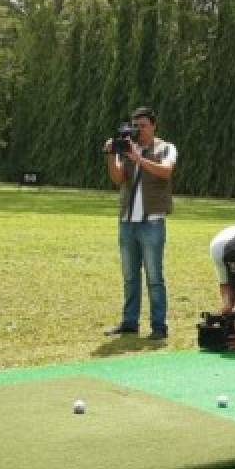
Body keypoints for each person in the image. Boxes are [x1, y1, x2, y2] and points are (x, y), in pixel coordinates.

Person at [103, 107, 177, 341]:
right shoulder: (127, 148)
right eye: (135, 126)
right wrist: (112, 155)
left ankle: (158, 326)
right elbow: (118, 179)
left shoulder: (165, 148)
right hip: (127, 222)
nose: (139, 130)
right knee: (130, 276)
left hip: (151, 221)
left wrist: (139, 158)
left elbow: (166, 171)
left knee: (154, 277)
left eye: (143, 126)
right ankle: (129, 323)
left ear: (154, 126)